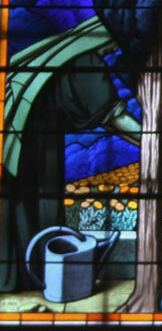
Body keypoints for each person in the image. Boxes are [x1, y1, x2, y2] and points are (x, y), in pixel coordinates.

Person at [0, 17, 139, 291]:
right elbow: (114, 116)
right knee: (39, 203)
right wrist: (155, 142)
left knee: (19, 207)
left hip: (24, 140)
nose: (113, 50)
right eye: (114, 43)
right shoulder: (83, 59)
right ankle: (34, 276)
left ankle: (14, 277)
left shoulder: (57, 52)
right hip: (36, 146)